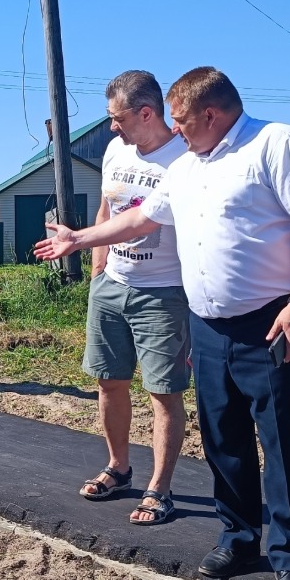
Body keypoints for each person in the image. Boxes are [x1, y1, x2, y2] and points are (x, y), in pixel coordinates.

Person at [34, 67, 290, 580]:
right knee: (223, 439)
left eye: (182, 120)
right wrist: (80, 239)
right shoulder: (188, 166)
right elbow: (140, 221)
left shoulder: (275, 143)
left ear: (211, 115)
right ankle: (239, 539)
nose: (175, 129)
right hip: (208, 324)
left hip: (272, 320)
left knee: (281, 443)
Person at [77, 71, 190, 527]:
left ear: (146, 113)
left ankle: (160, 489)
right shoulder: (115, 150)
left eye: (117, 117)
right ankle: (119, 469)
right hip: (111, 285)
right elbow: (107, 209)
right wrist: (97, 272)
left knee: (163, 393)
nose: (111, 126)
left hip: (164, 293)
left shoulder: (184, 157)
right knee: (109, 381)